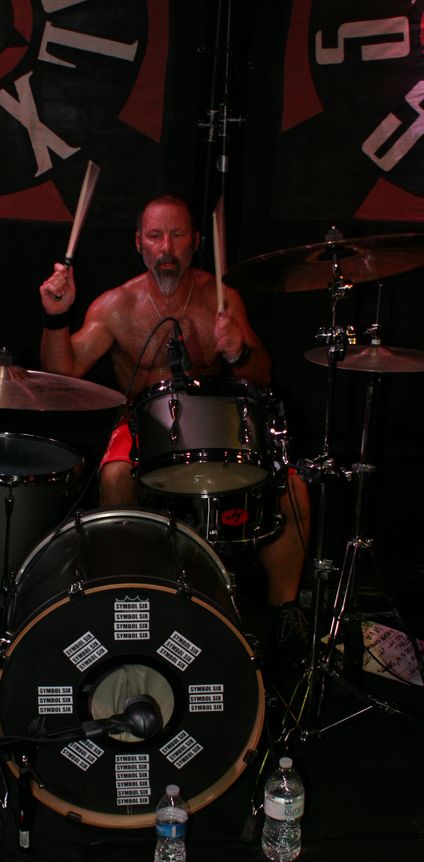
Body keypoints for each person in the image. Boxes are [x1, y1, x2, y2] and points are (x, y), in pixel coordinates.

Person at [39, 194, 311, 650]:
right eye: (155, 236)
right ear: (139, 244)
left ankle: (285, 614)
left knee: (292, 485)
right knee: (115, 475)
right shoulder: (116, 306)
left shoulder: (221, 298)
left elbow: (261, 375)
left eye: (178, 234)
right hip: (142, 424)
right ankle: (127, 596)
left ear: (196, 241)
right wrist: (56, 317)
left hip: (214, 422)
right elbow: (61, 374)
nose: (166, 247)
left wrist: (238, 352)